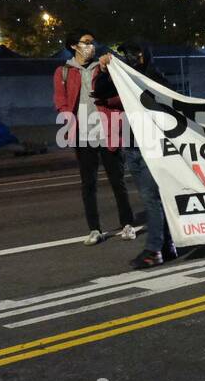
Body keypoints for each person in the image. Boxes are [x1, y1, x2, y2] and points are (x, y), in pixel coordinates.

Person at [95, 43, 177, 269]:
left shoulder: (153, 76)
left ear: (146, 54)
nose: (131, 57)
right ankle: (168, 245)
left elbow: (171, 99)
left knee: (152, 198)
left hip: (152, 145)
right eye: (127, 53)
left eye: (136, 53)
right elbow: (100, 93)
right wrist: (104, 70)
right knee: (153, 199)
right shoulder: (123, 77)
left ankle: (153, 250)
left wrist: (141, 74)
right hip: (131, 144)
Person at [53, 28, 137, 245]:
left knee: (117, 180)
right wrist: (68, 119)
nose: (91, 46)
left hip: (108, 131)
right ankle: (94, 229)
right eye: (86, 42)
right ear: (74, 45)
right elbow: (60, 101)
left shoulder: (105, 67)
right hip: (82, 134)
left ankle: (128, 224)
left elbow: (120, 96)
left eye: (93, 42)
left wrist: (106, 100)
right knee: (88, 184)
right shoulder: (63, 72)